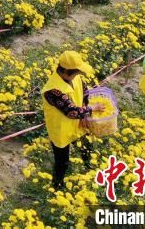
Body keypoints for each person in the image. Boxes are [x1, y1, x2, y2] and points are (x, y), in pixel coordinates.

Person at [42, 51, 105, 190]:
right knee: (62, 161)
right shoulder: (52, 90)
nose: (78, 75)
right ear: (65, 71)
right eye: (76, 72)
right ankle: (57, 186)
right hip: (61, 130)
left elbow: (85, 92)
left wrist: (85, 113)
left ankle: (88, 165)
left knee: (86, 146)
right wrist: (91, 109)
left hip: (78, 122)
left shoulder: (74, 77)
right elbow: (71, 111)